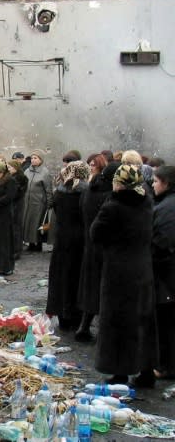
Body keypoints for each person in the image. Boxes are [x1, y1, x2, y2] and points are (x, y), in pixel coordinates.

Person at [90, 164, 157, 386]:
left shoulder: (114, 205)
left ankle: (120, 371)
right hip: (143, 266)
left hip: (119, 270)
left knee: (118, 321)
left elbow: (96, 233)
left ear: (119, 182)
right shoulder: (146, 201)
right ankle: (146, 370)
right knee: (143, 319)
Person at [46, 161, 90, 330]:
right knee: (75, 277)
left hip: (62, 237)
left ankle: (61, 313)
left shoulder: (60, 191)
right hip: (79, 239)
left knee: (60, 276)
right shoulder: (84, 191)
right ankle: (74, 315)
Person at [76, 155, 114, 341]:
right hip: (104, 248)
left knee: (89, 286)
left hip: (88, 245)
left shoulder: (88, 191)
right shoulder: (109, 196)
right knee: (102, 289)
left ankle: (84, 325)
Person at [152, 165, 175, 380]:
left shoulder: (167, 208)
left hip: (167, 274)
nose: (152, 184)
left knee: (166, 322)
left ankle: (167, 366)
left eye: (156, 181)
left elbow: (162, 243)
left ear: (166, 183)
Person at [22, 149, 53, 252]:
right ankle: (31, 243)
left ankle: (38, 244)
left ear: (41, 160)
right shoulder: (27, 171)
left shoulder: (45, 173)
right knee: (29, 223)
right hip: (28, 202)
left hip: (39, 203)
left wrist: (49, 202)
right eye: (32, 158)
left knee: (38, 223)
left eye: (35, 158)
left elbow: (48, 189)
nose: (33, 160)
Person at [7, 159, 28, 260]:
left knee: (16, 228)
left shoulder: (20, 178)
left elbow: (17, 193)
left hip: (17, 205)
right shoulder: (11, 177)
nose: (8, 169)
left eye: (10, 167)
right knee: (12, 227)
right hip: (12, 204)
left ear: (15, 168)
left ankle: (16, 250)